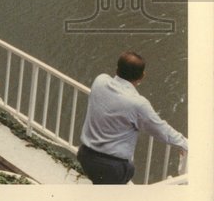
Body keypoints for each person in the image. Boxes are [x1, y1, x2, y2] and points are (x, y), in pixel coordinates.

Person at [77, 51, 188, 185]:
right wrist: (184, 143)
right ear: (142, 76)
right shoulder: (138, 104)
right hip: (113, 168)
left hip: (85, 156)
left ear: (117, 69)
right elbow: (161, 130)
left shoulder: (99, 80)